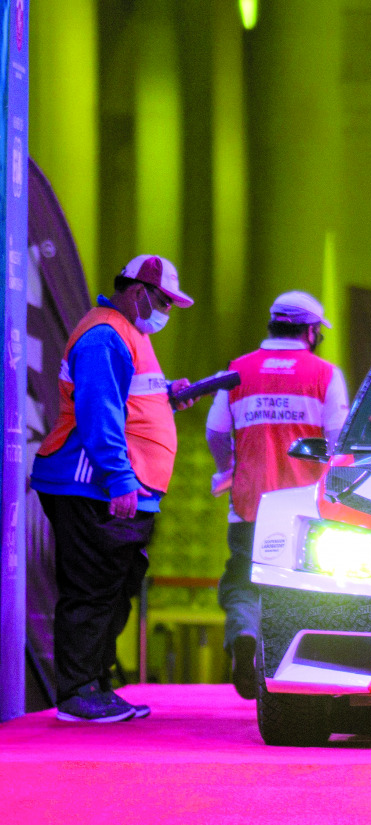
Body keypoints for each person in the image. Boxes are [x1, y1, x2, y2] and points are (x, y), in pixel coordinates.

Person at [31, 255, 195, 722]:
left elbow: (127, 399)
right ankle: (78, 693)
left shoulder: (126, 333)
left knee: (113, 587)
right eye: (163, 300)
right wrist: (120, 479)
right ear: (139, 291)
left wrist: (166, 397)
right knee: (92, 588)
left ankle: (94, 683)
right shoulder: (106, 333)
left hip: (108, 485)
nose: (165, 310)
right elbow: (98, 411)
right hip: (92, 484)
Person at [206, 291, 349, 699]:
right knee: (306, 586)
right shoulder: (324, 374)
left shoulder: (237, 371)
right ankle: (303, 671)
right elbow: (338, 437)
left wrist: (228, 469)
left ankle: (245, 634)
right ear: (311, 331)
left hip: (249, 504)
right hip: (306, 505)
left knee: (243, 581)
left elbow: (216, 430)